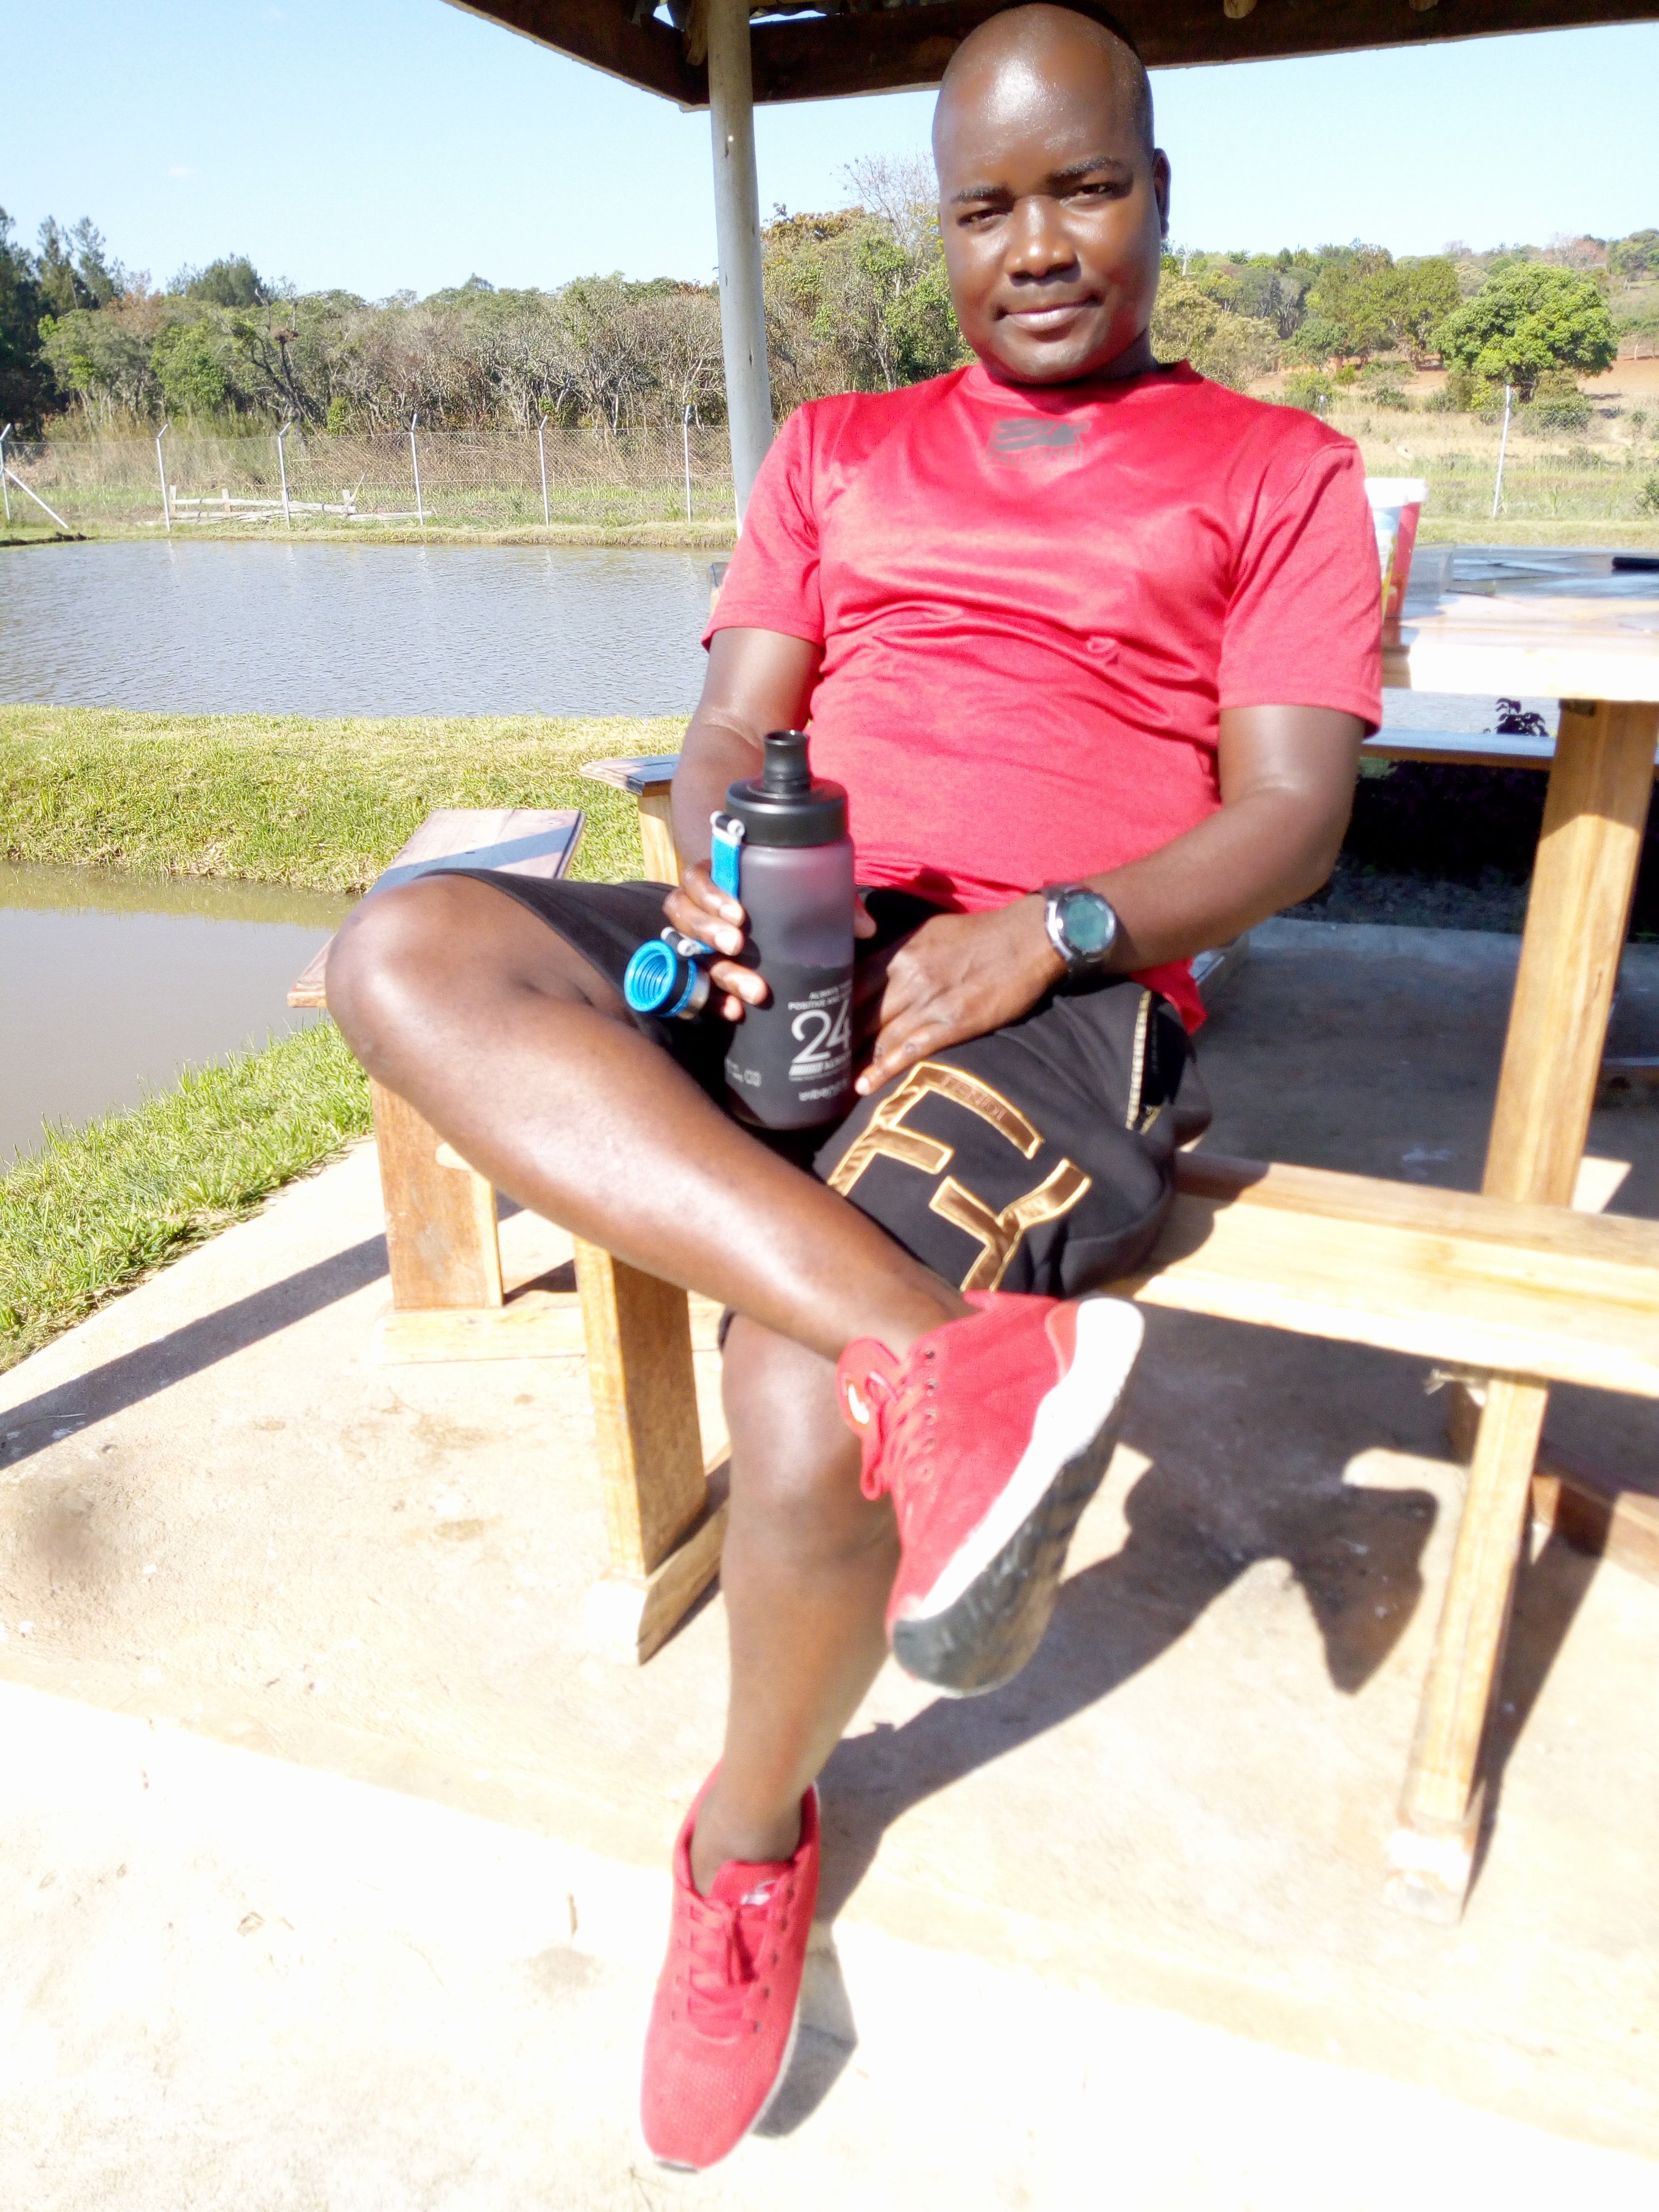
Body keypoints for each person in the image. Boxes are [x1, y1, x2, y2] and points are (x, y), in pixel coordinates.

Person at [326, 0, 1381, 2172]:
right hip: (802, 935)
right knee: (407, 947)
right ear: (942, 226)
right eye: (987, 207)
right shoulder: (836, 449)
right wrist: (725, 854)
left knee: (796, 1406)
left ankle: (743, 1844)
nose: (1039, 245)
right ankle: (951, 1355)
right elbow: (735, 722)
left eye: (1085, 190)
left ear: (1157, 196)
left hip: (1056, 991)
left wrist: (1061, 927)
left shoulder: (1276, 471)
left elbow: (1293, 817)